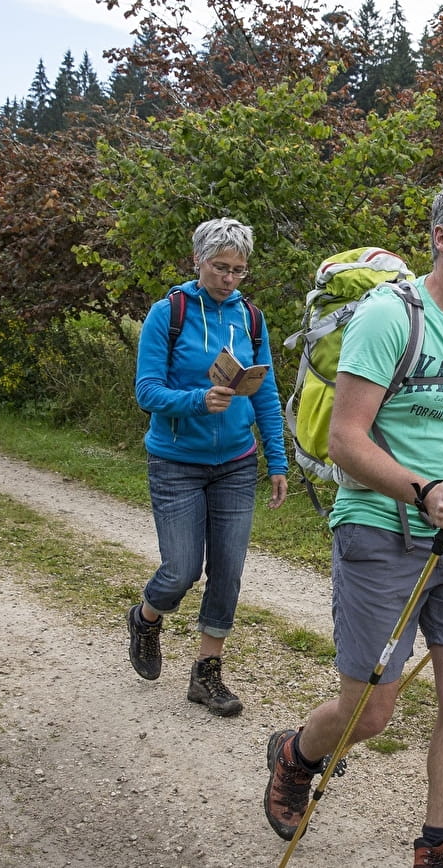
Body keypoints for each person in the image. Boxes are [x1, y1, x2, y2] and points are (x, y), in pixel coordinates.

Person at [263, 180, 443, 867]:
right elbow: (346, 439)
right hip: (377, 530)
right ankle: (295, 754)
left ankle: (438, 849)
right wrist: (423, 490)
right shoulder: (388, 317)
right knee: (369, 713)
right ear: (440, 238)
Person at [127, 217, 289, 717]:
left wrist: (277, 460)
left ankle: (206, 674)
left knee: (228, 571)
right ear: (198, 261)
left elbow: (265, 393)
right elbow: (146, 391)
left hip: (237, 464)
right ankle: (147, 617)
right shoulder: (168, 313)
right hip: (176, 462)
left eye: (239, 270)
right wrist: (199, 400)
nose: (230, 278)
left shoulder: (252, 320)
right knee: (180, 570)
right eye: (221, 267)